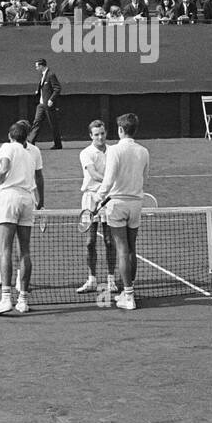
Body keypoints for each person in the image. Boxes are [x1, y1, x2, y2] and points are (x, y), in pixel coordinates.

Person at [92, 113, 150, 311]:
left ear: (120, 130)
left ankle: (129, 296)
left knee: (122, 249)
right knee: (131, 248)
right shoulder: (144, 151)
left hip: (117, 204)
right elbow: (145, 177)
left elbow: (108, 180)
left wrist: (98, 199)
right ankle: (127, 292)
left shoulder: (114, 151)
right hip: (136, 204)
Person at [0, 120, 44, 316]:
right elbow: (36, 180)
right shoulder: (30, 155)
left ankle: (5, 299)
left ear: (10, 136)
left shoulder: (6, 148)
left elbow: (4, 168)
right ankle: (22, 300)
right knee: (25, 251)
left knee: (5, 249)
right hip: (27, 200)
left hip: (10, 198)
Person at [76, 120, 117, 295]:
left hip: (108, 200)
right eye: (96, 134)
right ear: (91, 136)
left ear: (105, 133)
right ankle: (92, 279)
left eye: (102, 133)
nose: (100, 137)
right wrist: (111, 182)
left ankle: (111, 280)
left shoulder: (114, 152)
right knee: (90, 242)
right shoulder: (86, 153)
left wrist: (112, 186)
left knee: (109, 241)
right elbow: (92, 173)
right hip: (90, 199)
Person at [29, 58, 63, 150]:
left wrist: (51, 100)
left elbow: (57, 88)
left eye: (37, 66)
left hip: (48, 105)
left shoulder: (51, 75)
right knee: (36, 122)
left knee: (53, 124)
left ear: (41, 66)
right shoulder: (43, 75)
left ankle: (58, 144)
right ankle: (31, 142)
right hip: (41, 104)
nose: (36, 68)